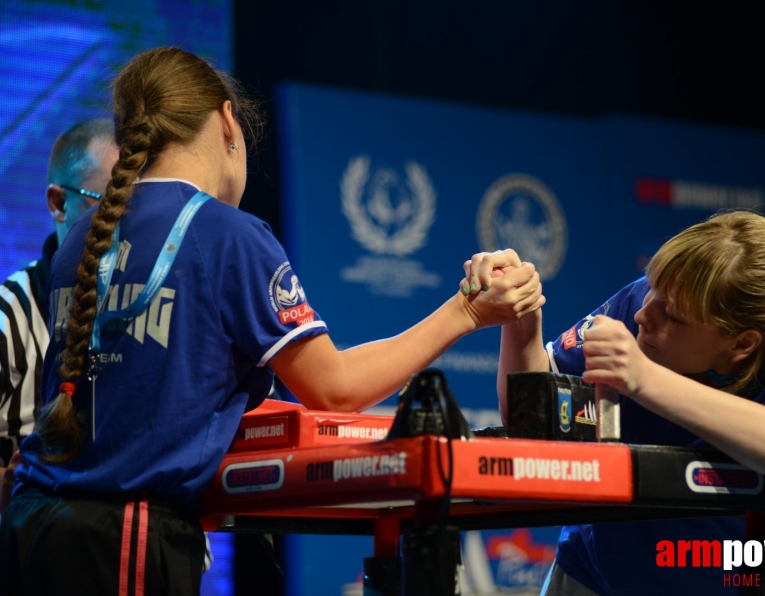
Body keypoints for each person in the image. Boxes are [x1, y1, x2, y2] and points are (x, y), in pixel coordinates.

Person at [0, 46, 545, 596]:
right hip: (121, 542)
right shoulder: (227, 234)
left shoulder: (79, 239)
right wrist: (467, 311)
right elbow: (335, 389)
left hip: (28, 527)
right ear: (227, 120)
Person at [464, 210, 765, 595]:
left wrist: (643, 378)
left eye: (673, 316)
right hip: (590, 574)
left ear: (741, 344)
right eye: (651, 287)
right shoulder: (650, 302)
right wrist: (521, 323)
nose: (641, 314)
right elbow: (534, 419)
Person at [0, 119, 117, 482]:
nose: (127, 220)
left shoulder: (152, 302)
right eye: (111, 203)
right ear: (58, 204)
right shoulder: (12, 309)